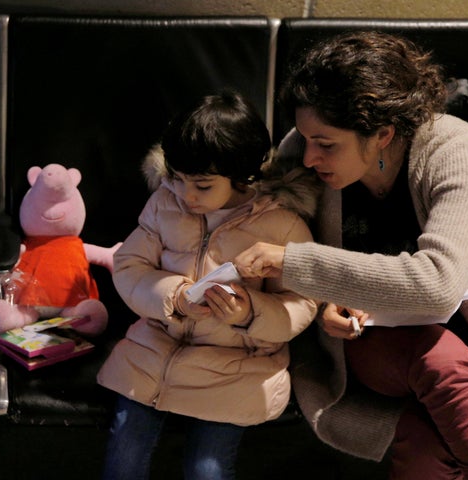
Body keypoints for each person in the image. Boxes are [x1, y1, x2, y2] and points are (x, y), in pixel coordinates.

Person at [233, 31, 468, 479]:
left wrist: (295, 261)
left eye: (327, 144)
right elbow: (264, 271)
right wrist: (325, 302)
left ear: (382, 133)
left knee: (434, 438)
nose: (308, 157)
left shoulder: (453, 148)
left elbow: (439, 286)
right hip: (365, 346)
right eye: (306, 138)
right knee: (446, 366)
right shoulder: (296, 158)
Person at [96, 89, 319, 479]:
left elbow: (302, 304)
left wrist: (249, 312)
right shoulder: (165, 204)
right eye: (178, 179)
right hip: (155, 354)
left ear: (240, 175)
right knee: (123, 460)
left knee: (206, 470)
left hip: (238, 370)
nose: (187, 195)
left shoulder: (283, 224)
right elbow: (129, 265)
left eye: (202, 185)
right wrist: (175, 297)